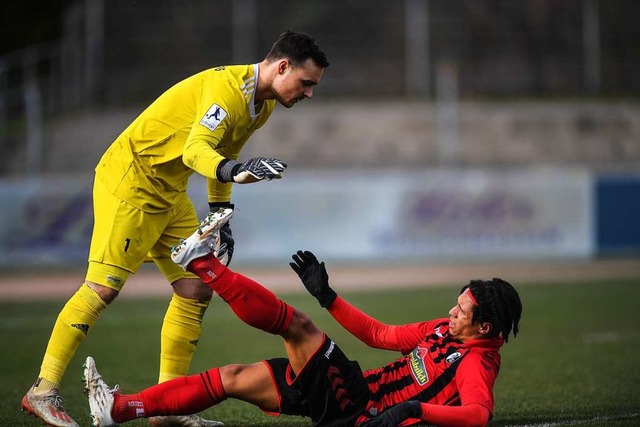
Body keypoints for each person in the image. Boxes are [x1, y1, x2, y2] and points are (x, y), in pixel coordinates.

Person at [21, 31, 329, 427]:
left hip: (168, 189)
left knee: (195, 289)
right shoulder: (227, 90)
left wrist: (222, 209)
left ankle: (166, 409)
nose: (309, 94)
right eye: (306, 84)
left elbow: (224, 152)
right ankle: (42, 390)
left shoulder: (261, 104)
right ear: (282, 66)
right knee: (102, 288)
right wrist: (234, 172)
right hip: (131, 181)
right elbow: (197, 151)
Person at [83, 208, 523, 427]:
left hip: (363, 414)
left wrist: (413, 410)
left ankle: (202, 264)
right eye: (457, 303)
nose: (451, 312)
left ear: (484, 327)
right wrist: (328, 296)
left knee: (296, 326)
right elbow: (379, 333)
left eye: (461, 310)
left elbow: (479, 415)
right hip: (353, 394)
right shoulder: (442, 331)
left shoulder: (476, 362)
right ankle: (117, 411)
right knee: (233, 377)